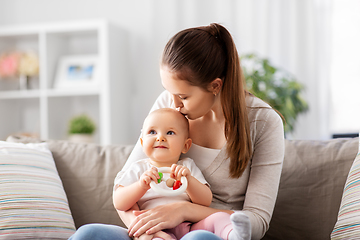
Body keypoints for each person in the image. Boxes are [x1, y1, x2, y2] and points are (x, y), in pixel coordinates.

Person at [68, 22, 284, 240]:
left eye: (183, 97)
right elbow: (122, 193)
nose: (174, 105)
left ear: (215, 86)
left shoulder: (264, 122)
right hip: (152, 233)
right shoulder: (168, 106)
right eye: (168, 92)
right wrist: (149, 233)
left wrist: (183, 211)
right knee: (88, 234)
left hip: (206, 232)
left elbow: (257, 221)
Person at [113, 108, 250, 240]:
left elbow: (205, 201)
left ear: (186, 145)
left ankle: (234, 234)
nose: (160, 138)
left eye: (170, 133)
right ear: (142, 143)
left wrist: (189, 181)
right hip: (154, 229)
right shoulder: (138, 168)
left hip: (189, 226)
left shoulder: (187, 166)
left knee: (219, 218)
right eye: (152, 131)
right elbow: (119, 202)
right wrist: (140, 186)